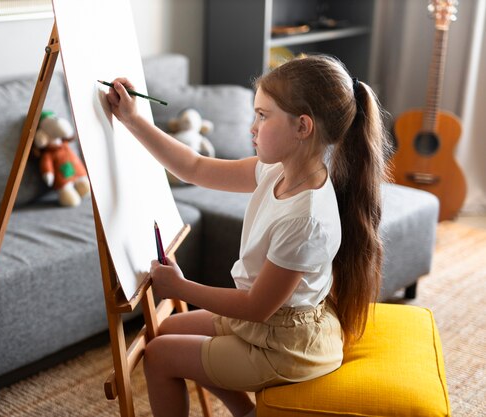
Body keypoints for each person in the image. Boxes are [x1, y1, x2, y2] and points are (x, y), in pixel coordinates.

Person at [104, 54, 390, 417]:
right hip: (270, 325)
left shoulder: (305, 218)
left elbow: (257, 307)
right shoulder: (276, 170)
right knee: (166, 330)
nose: (251, 127)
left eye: (262, 115)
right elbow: (195, 167)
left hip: (284, 346)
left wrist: (180, 287)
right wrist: (132, 119)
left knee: (159, 355)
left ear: (302, 127)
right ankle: (247, 413)